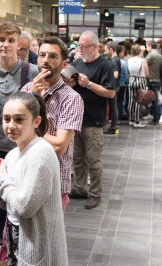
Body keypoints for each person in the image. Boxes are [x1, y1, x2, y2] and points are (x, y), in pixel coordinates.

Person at [0, 91, 68, 266]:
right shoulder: (12, 154)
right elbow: (12, 204)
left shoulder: (41, 153)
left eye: (19, 119)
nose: (11, 125)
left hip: (37, 248)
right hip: (16, 237)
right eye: (6, 119)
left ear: (36, 121)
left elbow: (25, 208)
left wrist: (2, 177)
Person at [0, 21, 39, 265]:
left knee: (23, 195)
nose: (6, 44)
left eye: (11, 40)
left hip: (25, 147)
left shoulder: (30, 71)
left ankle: (23, 241)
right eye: (2, 40)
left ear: (18, 44)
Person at [21, 36, 84, 211]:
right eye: (42, 55)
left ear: (64, 64)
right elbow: (13, 134)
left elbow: (59, 146)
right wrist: (33, 98)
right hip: (23, 175)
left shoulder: (71, 99)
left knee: (46, 237)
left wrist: (26, 130)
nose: (46, 60)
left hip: (52, 183)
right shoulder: (27, 90)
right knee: (14, 234)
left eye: (53, 56)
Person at [70, 31, 115, 209]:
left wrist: (88, 84)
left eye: (84, 46)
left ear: (95, 47)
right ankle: (80, 188)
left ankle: (95, 193)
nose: (80, 49)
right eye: (79, 46)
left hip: (93, 121)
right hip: (75, 120)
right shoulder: (77, 63)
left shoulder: (104, 65)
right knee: (78, 159)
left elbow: (110, 92)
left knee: (94, 161)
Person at [127, 44, 149, 127]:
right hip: (140, 81)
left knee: (131, 100)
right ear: (139, 51)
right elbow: (147, 74)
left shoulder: (129, 60)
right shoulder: (143, 61)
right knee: (138, 101)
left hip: (131, 80)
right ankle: (137, 121)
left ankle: (131, 119)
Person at [143, 40, 162, 125]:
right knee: (155, 99)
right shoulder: (159, 55)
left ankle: (155, 119)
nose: (146, 48)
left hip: (152, 79)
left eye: (146, 46)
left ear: (150, 46)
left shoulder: (151, 55)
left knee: (154, 100)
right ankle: (155, 117)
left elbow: (143, 62)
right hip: (157, 79)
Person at [104, 41, 121, 135]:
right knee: (113, 106)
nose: (105, 52)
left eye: (106, 50)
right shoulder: (116, 59)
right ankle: (113, 126)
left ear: (111, 49)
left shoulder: (114, 60)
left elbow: (115, 75)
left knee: (113, 107)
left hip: (113, 86)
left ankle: (114, 126)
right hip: (115, 86)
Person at [117, 44, 129, 120]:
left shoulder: (111, 61)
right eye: (123, 52)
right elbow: (126, 75)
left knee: (114, 101)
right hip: (122, 84)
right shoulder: (123, 62)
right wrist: (126, 84)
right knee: (120, 101)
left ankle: (113, 118)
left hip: (114, 84)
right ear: (120, 52)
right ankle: (119, 117)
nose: (123, 54)